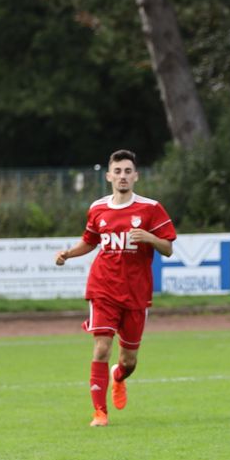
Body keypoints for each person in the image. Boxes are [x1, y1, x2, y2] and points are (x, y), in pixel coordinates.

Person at [55, 149, 176, 427]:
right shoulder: (98, 208)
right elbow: (90, 240)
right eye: (117, 171)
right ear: (109, 175)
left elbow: (168, 248)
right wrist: (68, 254)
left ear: (136, 176)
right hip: (103, 288)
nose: (122, 176)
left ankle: (118, 377)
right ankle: (100, 412)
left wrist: (149, 237)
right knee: (101, 348)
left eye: (127, 171)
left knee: (129, 360)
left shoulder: (150, 208)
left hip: (136, 293)